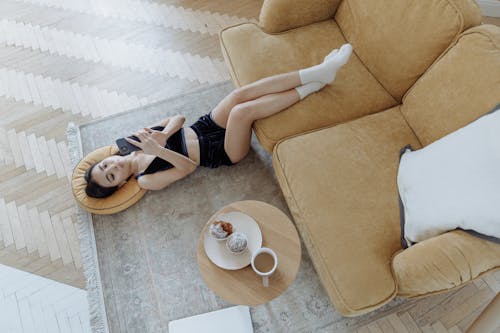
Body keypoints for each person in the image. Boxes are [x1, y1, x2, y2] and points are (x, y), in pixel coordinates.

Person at [84, 44, 353, 198]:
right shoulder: (145, 180)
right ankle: (312, 87)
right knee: (241, 112)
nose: (113, 166)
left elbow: (178, 118)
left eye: (106, 164)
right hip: (219, 151)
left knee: (239, 95)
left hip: (204, 126)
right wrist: (159, 150)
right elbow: (187, 169)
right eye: (111, 176)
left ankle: (319, 72)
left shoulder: (132, 141)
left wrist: (164, 135)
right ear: (119, 185)